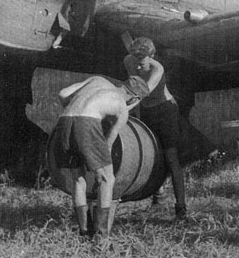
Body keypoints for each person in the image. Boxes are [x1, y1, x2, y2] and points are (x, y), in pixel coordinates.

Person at [53, 75, 150, 237]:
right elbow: (108, 144)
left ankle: (84, 232)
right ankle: (101, 235)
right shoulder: (121, 107)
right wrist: (101, 171)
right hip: (87, 123)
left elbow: (63, 94)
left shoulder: (97, 80)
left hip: (64, 121)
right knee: (108, 179)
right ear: (134, 98)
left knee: (78, 178)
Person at [123, 37, 188, 220]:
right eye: (135, 61)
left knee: (171, 158)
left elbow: (143, 91)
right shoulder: (128, 60)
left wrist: (123, 108)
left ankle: (181, 207)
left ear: (151, 57)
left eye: (141, 63)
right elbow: (132, 83)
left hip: (165, 112)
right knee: (151, 155)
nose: (137, 66)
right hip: (146, 111)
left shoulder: (157, 69)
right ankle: (158, 198)